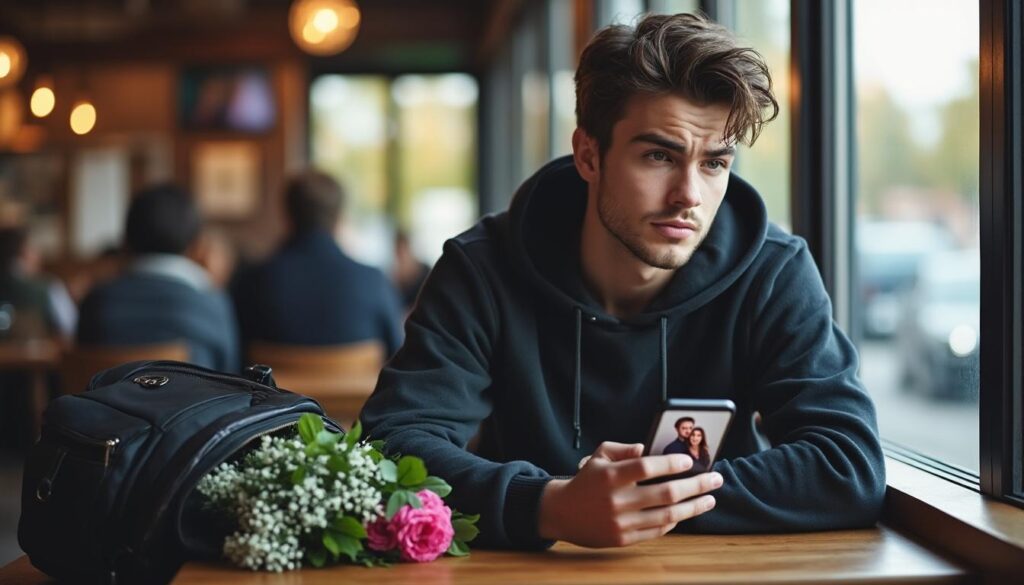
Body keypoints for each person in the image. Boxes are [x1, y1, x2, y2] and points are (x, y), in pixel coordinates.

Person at [360, 13, 885, 551]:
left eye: (714, 163)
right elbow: (393, 446)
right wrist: (548, 505)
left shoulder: (772, 271)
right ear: (589, 154)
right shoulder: (483, 268)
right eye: (659, 155)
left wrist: (641, 500)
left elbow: (847, 465)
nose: (689, 195)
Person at [232, 170, 403, 356]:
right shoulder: (373, 281)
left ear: (287, 216)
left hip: (273, 386)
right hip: (356, 386)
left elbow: (235, 359)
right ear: (339, 217)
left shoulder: (252, 281)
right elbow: (398, 354)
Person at [77, 183, 239, 371]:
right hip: (194, 400)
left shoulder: (96, 302)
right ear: (197, 246)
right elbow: (230, 378)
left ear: (126, 242)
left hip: (108, 400)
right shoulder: (212, 303)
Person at [0, 225, 76, 340]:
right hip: (42, 356)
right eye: (34, 248)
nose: (39, 254)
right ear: (23, 251)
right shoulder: (50, 287)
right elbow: (71, 328)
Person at [392, 230, 430, 310]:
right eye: (398, 251)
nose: (401, 255)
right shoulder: (395, 277)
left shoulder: (425, 271)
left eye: (402, 250)